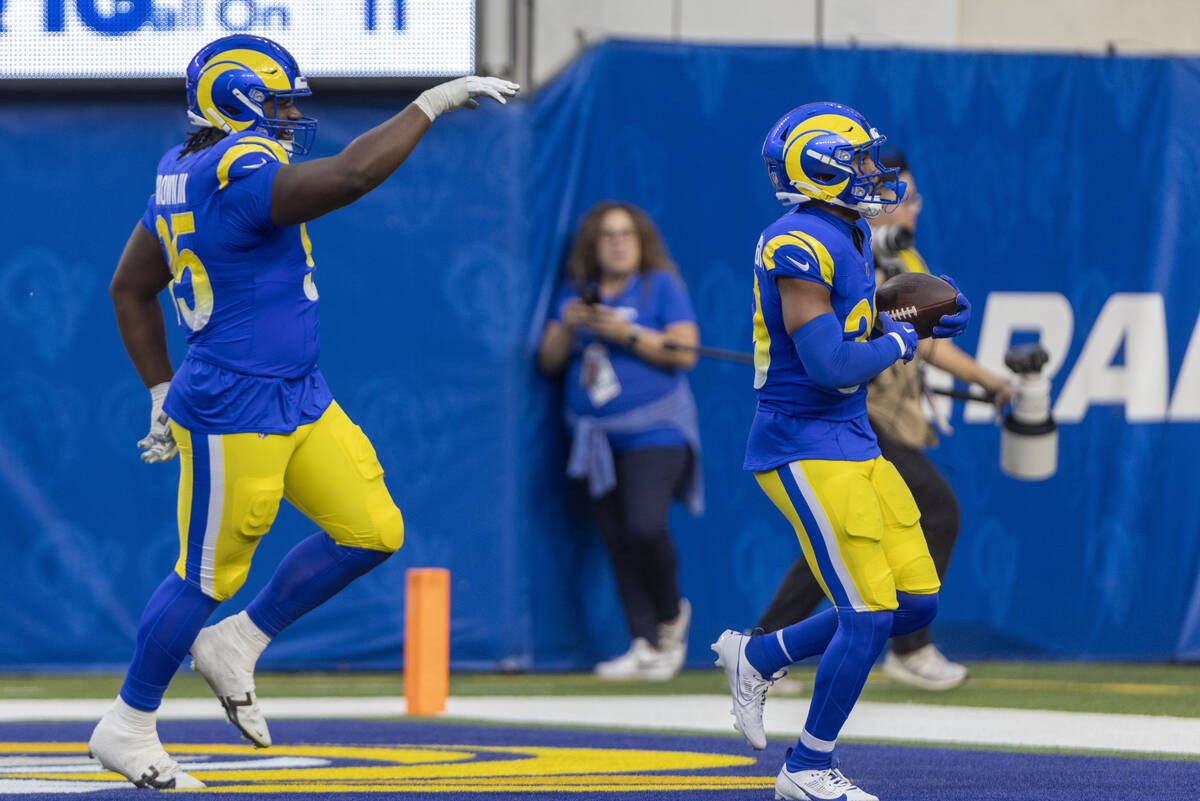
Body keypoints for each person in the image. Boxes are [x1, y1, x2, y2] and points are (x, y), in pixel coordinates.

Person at [91, 34, 517, 789]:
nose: (289, 116)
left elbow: (130, 284)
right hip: (234, 400)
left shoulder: (181, 169)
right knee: (202, 576)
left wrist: (158, 386)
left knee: (372, 528)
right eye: (279, 102)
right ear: (238, 102)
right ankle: (126, 723)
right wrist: (430, 103)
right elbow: (351, 175)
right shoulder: (235, 166)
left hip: (298, 390)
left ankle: (239, 642)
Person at [711, 102, 972, 801]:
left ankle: (759, 654)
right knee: (866, 614)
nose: (871, 173)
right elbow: (828, 362)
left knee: (914, 602)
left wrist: (900, 307)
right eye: (857, 160)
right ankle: (806, 766)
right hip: (801, 441)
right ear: (821, 167)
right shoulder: (795, 240)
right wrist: (904, 338)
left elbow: (852, 315)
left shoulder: (849, 229)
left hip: (851, 437)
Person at [756, 150, 1012, 692]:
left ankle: (765, 646)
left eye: (911, 198)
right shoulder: (818, 249)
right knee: (928, 511)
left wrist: (976, 371)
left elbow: (921, 342)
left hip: (872, 417)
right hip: (850, 412)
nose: (906, 209)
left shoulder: (898, 259)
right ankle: (905, 649)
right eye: (900, 197)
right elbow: (831, 354)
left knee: (849, 535)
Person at [537, 201, 701, 680]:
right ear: (593, 244)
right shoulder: (574, 294)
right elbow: (548, 361)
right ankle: (643, 641)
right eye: (607, 234)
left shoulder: (660, 286)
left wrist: (625, 332)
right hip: (595, 439)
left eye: (626, 233)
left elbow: (685, 350)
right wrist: (570, 325)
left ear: (641, 240)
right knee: (615, 538)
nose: (617, 242)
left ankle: (671, 618)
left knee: (645, 525)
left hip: (655, 428)